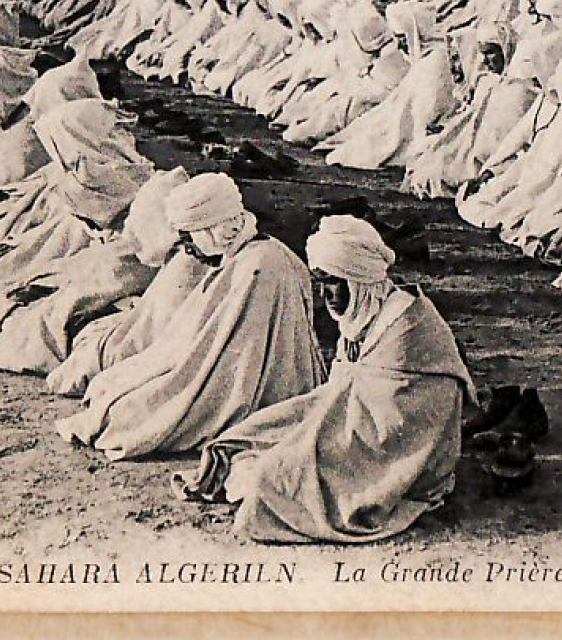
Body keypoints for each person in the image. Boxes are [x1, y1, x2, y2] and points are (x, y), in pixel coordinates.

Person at [174, 215, 475, 543]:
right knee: (242, 442)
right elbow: (344, 395)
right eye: (319, 281)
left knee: (270, 476)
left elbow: (389, 425)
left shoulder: (406, 328)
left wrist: (308, 444)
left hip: (404, 455)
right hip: (360, 428)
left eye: (332, 281)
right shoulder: (365, 313)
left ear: (359, 278)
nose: (325, 294)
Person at [57, 172, 325, 460]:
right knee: (110, 388)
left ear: (212, 229)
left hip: (262, 383)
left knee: (128, 415)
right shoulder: (242, 256)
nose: (188, 250)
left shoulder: (259, 266)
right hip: (230, 370)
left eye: (189, 239)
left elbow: (236, 363)